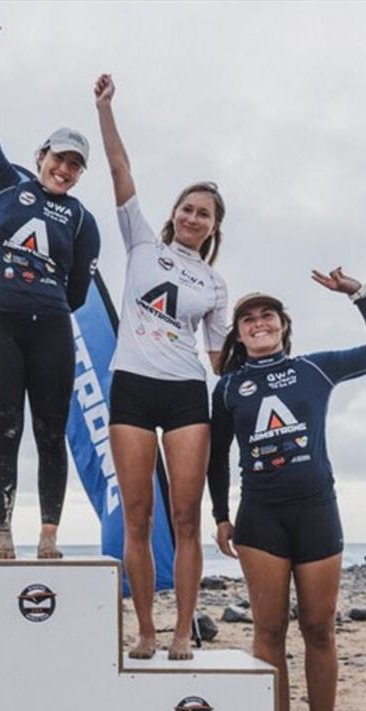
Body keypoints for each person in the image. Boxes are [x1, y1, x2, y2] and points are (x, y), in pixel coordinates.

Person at [207, 269, 366, 711]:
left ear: (282, 325)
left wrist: (359, 293)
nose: (257, 323)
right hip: (261, 519)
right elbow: (217, 456)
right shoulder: (228, 387)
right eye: (247, 319)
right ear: (239, 335)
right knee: (268, 632)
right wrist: (221, 515)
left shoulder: (316, 369)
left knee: (318, 629)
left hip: (317, 512)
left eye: (266, 315)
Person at [94, 74, 228, 660]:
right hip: (131, 387)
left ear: (214, 227)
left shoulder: (215, 283)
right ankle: (147, 629)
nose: (194, 218)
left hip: (185, 396)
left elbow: (222, 360)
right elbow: (120, 169)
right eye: (188, 208)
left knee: (185, 516)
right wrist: (105, 109)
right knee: (139, 515)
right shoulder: (142, 242)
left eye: (205, 214)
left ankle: (182, 629)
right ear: (173, 213)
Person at [0, 21, 101, 560]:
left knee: (50, 432)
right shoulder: (6, 183)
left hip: (50, 330)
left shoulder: (82, 219)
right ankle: (2, 535)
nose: (64, 169)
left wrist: (41, 300)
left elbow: (76, 291)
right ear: (41, 154)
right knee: (6, 429)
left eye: (75, 165)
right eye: (59, 158)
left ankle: (48, 536)